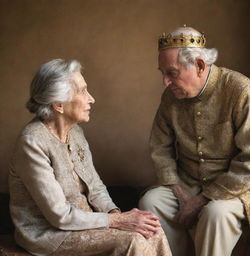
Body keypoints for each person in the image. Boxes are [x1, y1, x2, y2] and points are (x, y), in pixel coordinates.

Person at [9, 59, 172, 256]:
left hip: (86, 221)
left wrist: (116, 214)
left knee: (151, 231)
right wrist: (117, 222)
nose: (91, 98)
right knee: (133, 240)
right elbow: (59, 216)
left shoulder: (76, 132)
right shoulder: (32, 142)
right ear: (59, 104)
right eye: (83, 91)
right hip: (50, 234)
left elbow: (95, 186)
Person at [139, 25, 250, 256]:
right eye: (162, 73)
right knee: (151, 203)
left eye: (171, 73)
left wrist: (203, 199)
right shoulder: (170, 97)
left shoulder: (242, 91)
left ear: (200, 66)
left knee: (216, 214)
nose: (164, 82)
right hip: (187, 182)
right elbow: (159, 147)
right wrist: (180, 193)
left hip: (236, 188)